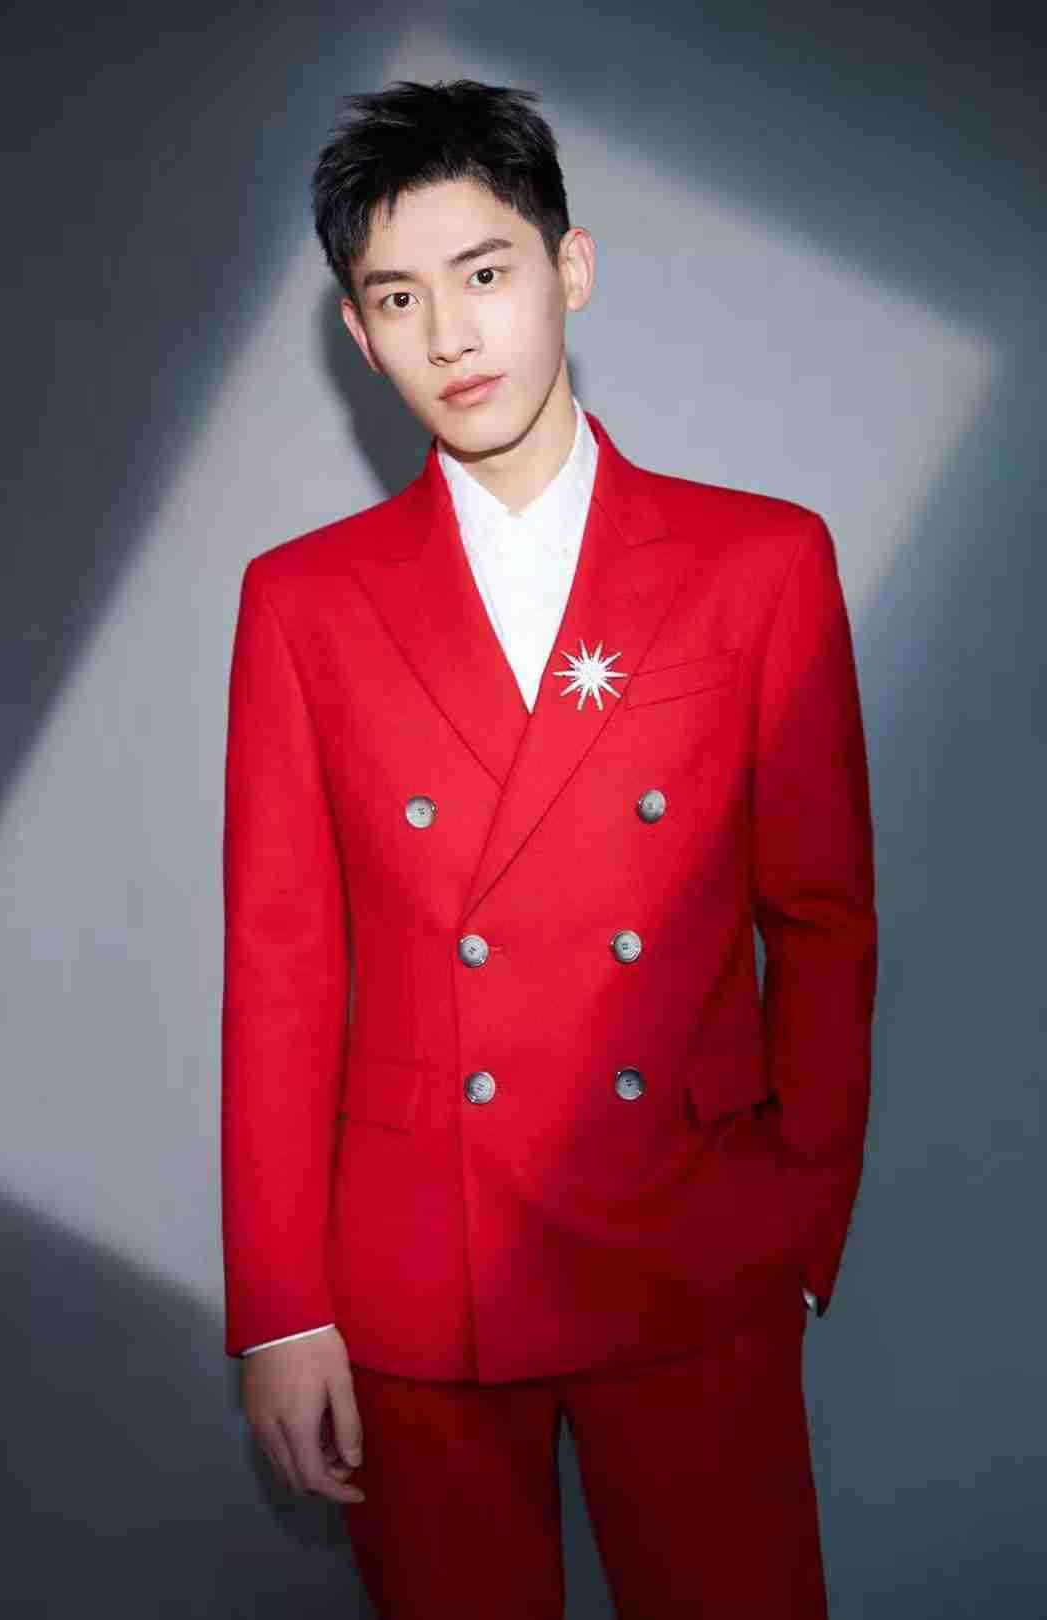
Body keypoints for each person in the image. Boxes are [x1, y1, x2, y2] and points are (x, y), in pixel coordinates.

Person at [220, 77, 877, 1619]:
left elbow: (824, 916)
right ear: (359, 334)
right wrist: (280, 1309)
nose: (452, 334)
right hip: (416, 1276)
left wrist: (799, 1222)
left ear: (569, 270)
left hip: (692, 1248)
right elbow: (282, 966)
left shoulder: (760, 563)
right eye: (400, 297)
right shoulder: (304, 601)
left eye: (485, 272)